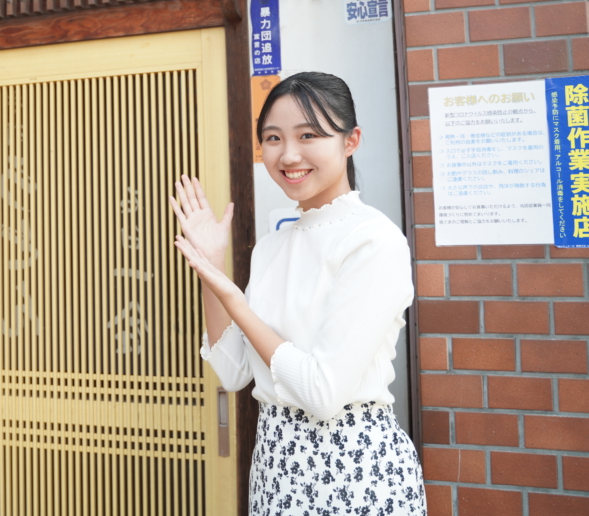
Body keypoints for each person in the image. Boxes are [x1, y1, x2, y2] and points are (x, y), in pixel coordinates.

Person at [170, 71, 426, 516]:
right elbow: (233, 374)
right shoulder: (272, 246)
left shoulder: (373, 240)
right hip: (275, 465)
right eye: (273, 138)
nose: (288, 154)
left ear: (350, 141)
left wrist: (234, 299)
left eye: (309, 135)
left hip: (355, 469)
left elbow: (322, 391)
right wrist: (210, 269)